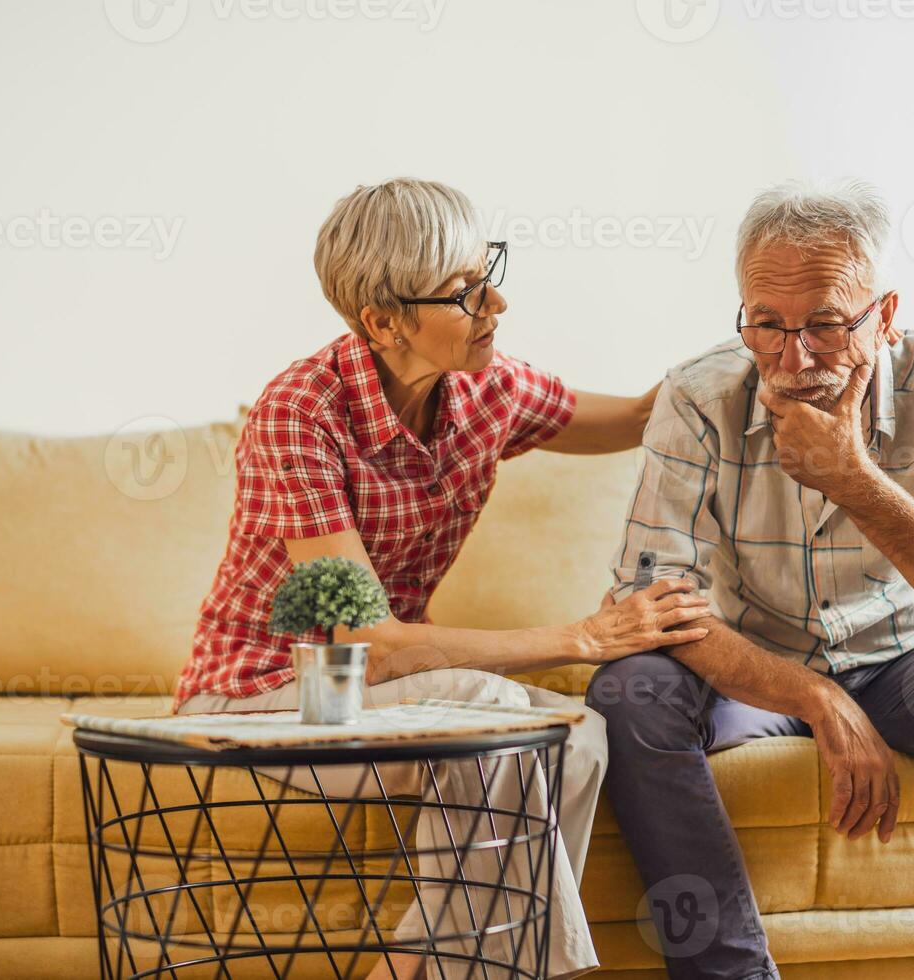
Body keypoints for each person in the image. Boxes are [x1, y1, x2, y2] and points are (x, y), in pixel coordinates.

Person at [174, 177, 714, 979]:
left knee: (578, 736)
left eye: (488, 271)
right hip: (264, 697)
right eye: (465, 292)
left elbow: (640, 417)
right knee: (490, 715)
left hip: (366, 700)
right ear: (383, 321)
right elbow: (371, 644)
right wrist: (584, 638)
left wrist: (746, 360)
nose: (496, 303)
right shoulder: (299, 415)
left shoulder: (485, 388)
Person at [587, 179, 914, 980]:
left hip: (911, 665)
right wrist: (818, 697)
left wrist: (854, 479)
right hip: (752, 669)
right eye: (766, 325)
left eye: (824, 324)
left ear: (884, 316)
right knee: (628, 688)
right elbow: (654, 601)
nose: (793, 356)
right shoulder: (698, 394)